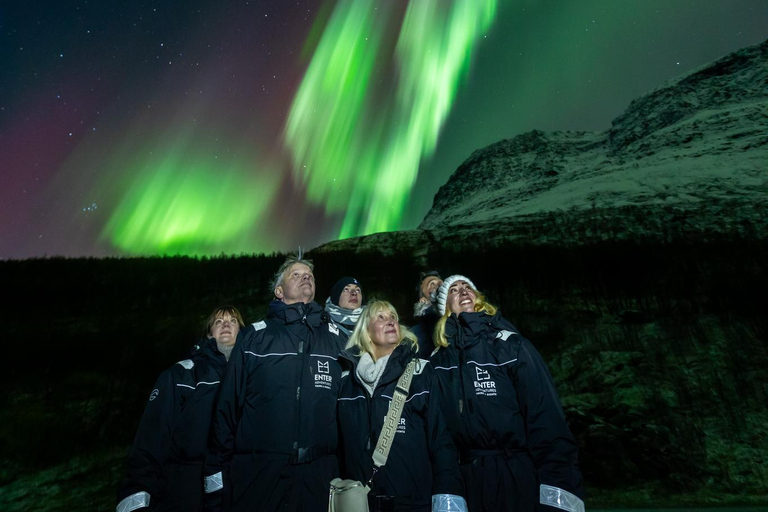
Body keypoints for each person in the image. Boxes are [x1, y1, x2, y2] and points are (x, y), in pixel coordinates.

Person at [203, 256, 345, 512]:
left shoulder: (335, 339)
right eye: (296, 274)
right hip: (259, 474)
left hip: (319, 476)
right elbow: (227, 410)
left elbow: (347, 411)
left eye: (310, 275)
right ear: (279, 291)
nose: (306, 278)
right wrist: (215, 480)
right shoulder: (254, 337)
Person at [431, 275, 585, 512]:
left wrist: (558, 496)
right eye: (453, 290)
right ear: (444, 308)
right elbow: (439, 437)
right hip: (467, 482)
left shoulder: (512, 346)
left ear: (479, 298)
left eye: (467, 287)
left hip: (517, 476)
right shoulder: (438, 362)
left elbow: (547, 421)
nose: (462, 291)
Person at [337, 300, 467, 512]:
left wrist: (447, 496)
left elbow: (442, 440)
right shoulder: (347, 382)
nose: (390, 321)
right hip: (359, 503)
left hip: (412, 503)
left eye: (393, 318)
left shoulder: (422, 372)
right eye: (381, 317)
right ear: (366, 331)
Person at [116, 306, 244, 512]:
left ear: (242, 331)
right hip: (185, 488)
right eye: (218, 322)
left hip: (238, 487)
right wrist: (136, 494)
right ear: (209, 333)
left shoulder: (252, 377)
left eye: (233, 321)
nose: (226, 324)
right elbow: (151, 437)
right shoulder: (182, 375)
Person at [411, 271, 443, 359]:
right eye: (432, 284)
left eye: (441, 283)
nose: (440, 285)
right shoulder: (415, 336)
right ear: (423, 301)